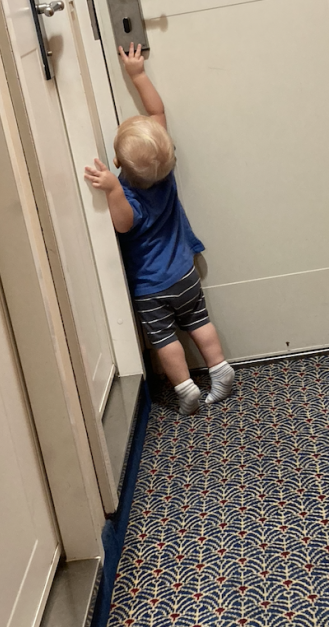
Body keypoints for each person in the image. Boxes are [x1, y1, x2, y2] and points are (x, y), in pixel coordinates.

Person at [84, 43, 235, 415]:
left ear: (118, 161)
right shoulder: (165, 173)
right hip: (184, 272)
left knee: (165, 338)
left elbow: (123, 224)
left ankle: (185, 389)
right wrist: (138, 75)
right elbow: (157, 111)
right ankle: (221, 370)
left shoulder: (130, 196)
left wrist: (112, 187)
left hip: (152, 288)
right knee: (199, 321)